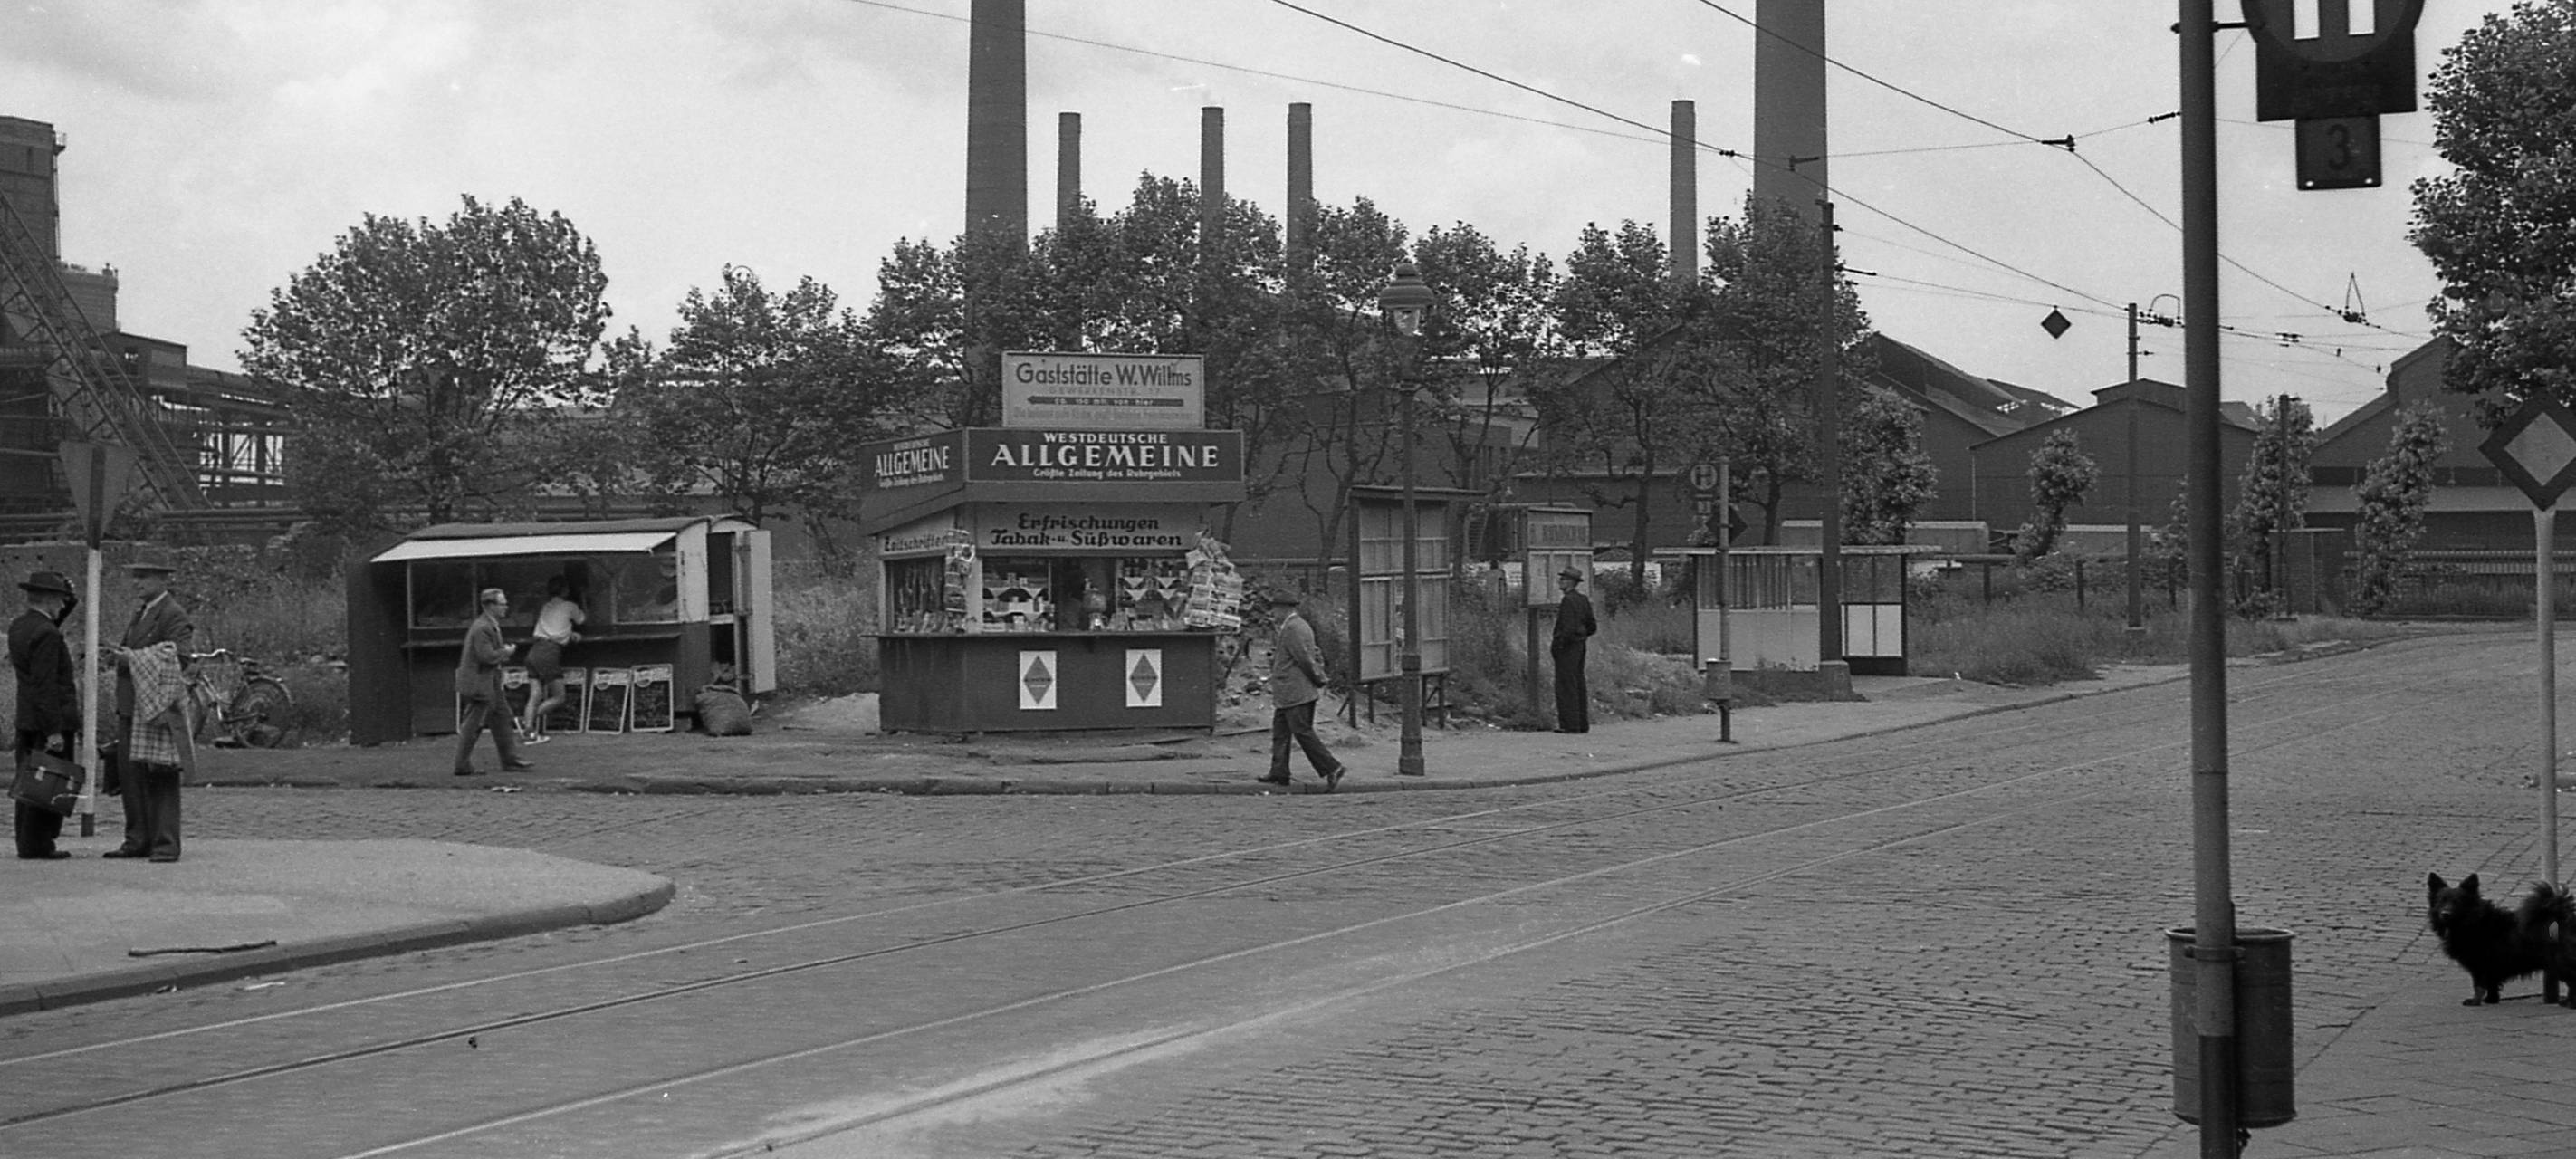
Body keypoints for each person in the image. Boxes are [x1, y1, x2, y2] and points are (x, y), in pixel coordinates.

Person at [106, 550, 191, 860]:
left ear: (162, 579)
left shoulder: (172, 614)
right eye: (135, 576)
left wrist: (132, 659)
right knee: (131, 775)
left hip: (156, 707)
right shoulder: (141, 612)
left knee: (161, 773)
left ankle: (165, 843)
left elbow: (180, 656)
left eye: (143, 577)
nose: (136, 582)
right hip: (132, 705)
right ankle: (137, 838)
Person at [11, 571, 81, 860]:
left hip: (27, 717)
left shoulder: (21, 626)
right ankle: (39, 843)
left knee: (28, 782)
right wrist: (53, 730)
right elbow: (46, 684)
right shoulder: (48, 634)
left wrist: (70, 597)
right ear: (49, 599)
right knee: (48, 784)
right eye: (61, 599)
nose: (63, 605)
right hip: (49, 719)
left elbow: (53, 620)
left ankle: (27, 841)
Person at [1257, 589, 1345, 793]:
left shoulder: (1293, 628)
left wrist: (1317, 678)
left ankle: (1332, 767)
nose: (1273, 613)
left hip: (1296, 690)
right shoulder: (1294, 626)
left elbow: (1304, 658)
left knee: (1302, 731)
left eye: (1275, 608)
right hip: (1288, 691)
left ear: (1284, 608)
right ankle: (1279, 772)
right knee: (1281, 732)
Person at [454, 588, 535, 776]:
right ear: (490, 605)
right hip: (479, 683)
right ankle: (461, 765)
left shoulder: (489, 624)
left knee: (502, 718)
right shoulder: (482, 627)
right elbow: (486, 656)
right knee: (473, 724)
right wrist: (506, 652)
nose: (506, 607)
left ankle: (510, 760)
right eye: (502, 604)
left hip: (489, 682)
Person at [520, 575, 586, 743]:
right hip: (549, 653)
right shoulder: (570, 606)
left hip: (534, 651)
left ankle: (528, 731)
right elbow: (582, 619)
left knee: (535, 694)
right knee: (559, 697)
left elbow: (553, 628)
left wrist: (569, 633)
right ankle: (527, 722)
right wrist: (584, 598)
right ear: (565, 591)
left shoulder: (545, 607)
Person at [1550, 567, 1598, 734]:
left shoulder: (1568, 601)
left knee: (1566, 684)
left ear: (1571, 582)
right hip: (1579, 645)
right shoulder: (1583, 600)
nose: (1560, 582)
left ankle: (1569, 724)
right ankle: (1581, 723)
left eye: (1563, 579)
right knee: (1578, 681)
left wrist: (1559, 644)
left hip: (1567, 646)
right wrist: (1582, 635)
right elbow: (1592, 625)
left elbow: (1567, 627)